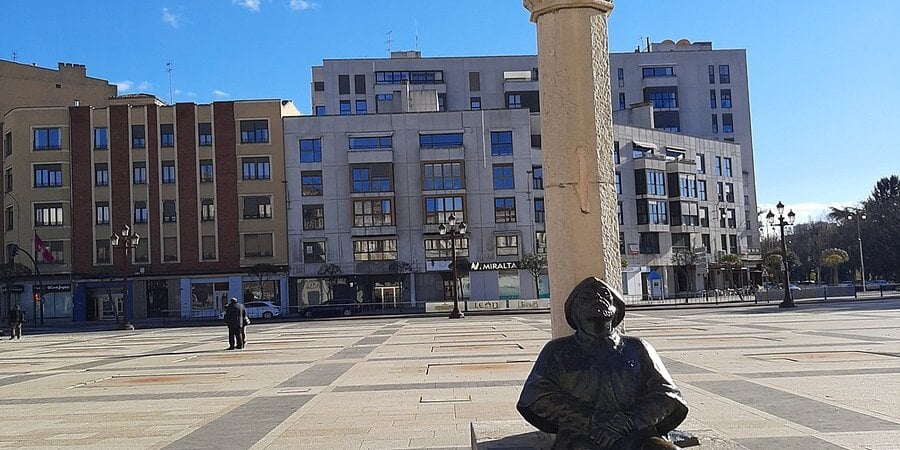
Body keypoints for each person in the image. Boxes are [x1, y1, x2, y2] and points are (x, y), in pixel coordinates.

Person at [517, 277, 688, 449]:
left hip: (635, 433)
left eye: (605, 294)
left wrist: (631, 420)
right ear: (574, 310)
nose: (598, 299)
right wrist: (593, 419)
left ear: (616, 307)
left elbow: (668, 394)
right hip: (581, 435)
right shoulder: (557, 350)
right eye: (587, 296)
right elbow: (536, 396)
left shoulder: (637, 347)